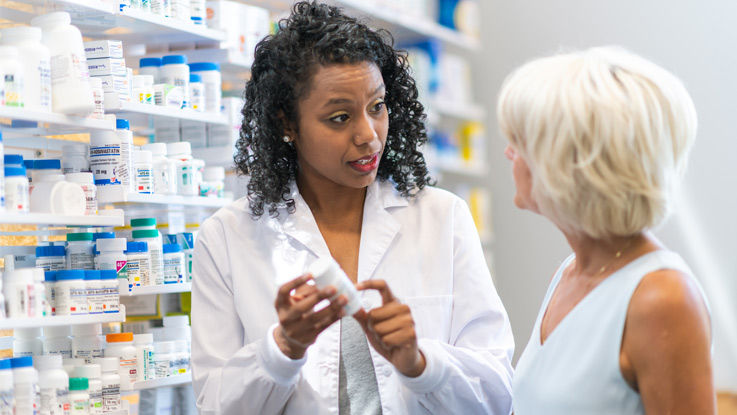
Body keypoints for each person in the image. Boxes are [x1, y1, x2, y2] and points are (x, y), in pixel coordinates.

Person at [191, 2, 514, 414]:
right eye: (340, 118)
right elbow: (215, 406)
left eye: (377, 107)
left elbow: (498, 392)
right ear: (287, 124)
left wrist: (420, 363)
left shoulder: (441, 218)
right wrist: (282, 349)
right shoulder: (228, 237)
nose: (369, 136)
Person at [498, 46, 714, 414]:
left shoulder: (664, 299)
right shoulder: (568, 273)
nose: (508, 154)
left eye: (520, 142)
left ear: (567, 165)